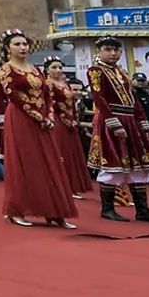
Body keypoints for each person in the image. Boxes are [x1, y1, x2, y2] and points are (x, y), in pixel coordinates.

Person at [0, 31, 76, 228]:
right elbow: (13, 95)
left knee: (49, 161)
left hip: (42, 119)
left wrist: (48, 115)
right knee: (24, 161)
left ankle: (55, 211)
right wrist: (38, 116)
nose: (23, 47)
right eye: (17, 44)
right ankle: (17, 210)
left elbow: (48, 94)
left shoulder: (35, 69)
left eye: (25, 44)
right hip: (20, 118)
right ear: (8, 48)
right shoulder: (5, 70)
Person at [86, 37, 149, 224]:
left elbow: (135, 100)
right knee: (113, 162)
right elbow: (99, 99)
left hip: (130, 120)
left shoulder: (122, 72)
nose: (113, 53)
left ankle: (143, 210)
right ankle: (107, 209)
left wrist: (143, 124)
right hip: (112, 118)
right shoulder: (96, 71)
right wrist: (113, 123)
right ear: (99, 51)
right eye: (108, 49)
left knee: (139, 164)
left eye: (116, 50)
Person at [43, 59, 92, 200]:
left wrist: (73, 119)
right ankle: (60, 187)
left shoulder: (64, 84)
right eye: (54, 67)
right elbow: (49, 104)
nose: (58, 70)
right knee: (61, 152)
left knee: (72, 153)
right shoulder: (48, 85)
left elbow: (71, 105)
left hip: (69, 121)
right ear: (47, 70)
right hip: (57, 121)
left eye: (60, 67)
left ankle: (71, 186)